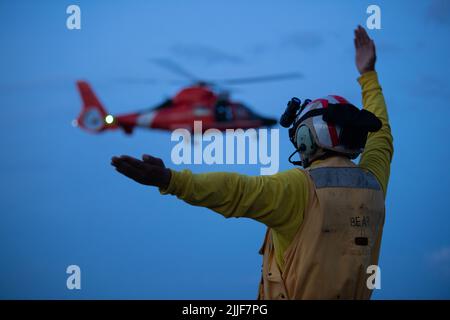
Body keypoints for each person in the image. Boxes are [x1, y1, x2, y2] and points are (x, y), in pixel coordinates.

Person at [110, 26, 393, 299]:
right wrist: (368, 75)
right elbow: (381, 134)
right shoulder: (373, 182)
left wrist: (171, 180)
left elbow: (235, 190)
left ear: (308, 138)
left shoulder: (300, 188)